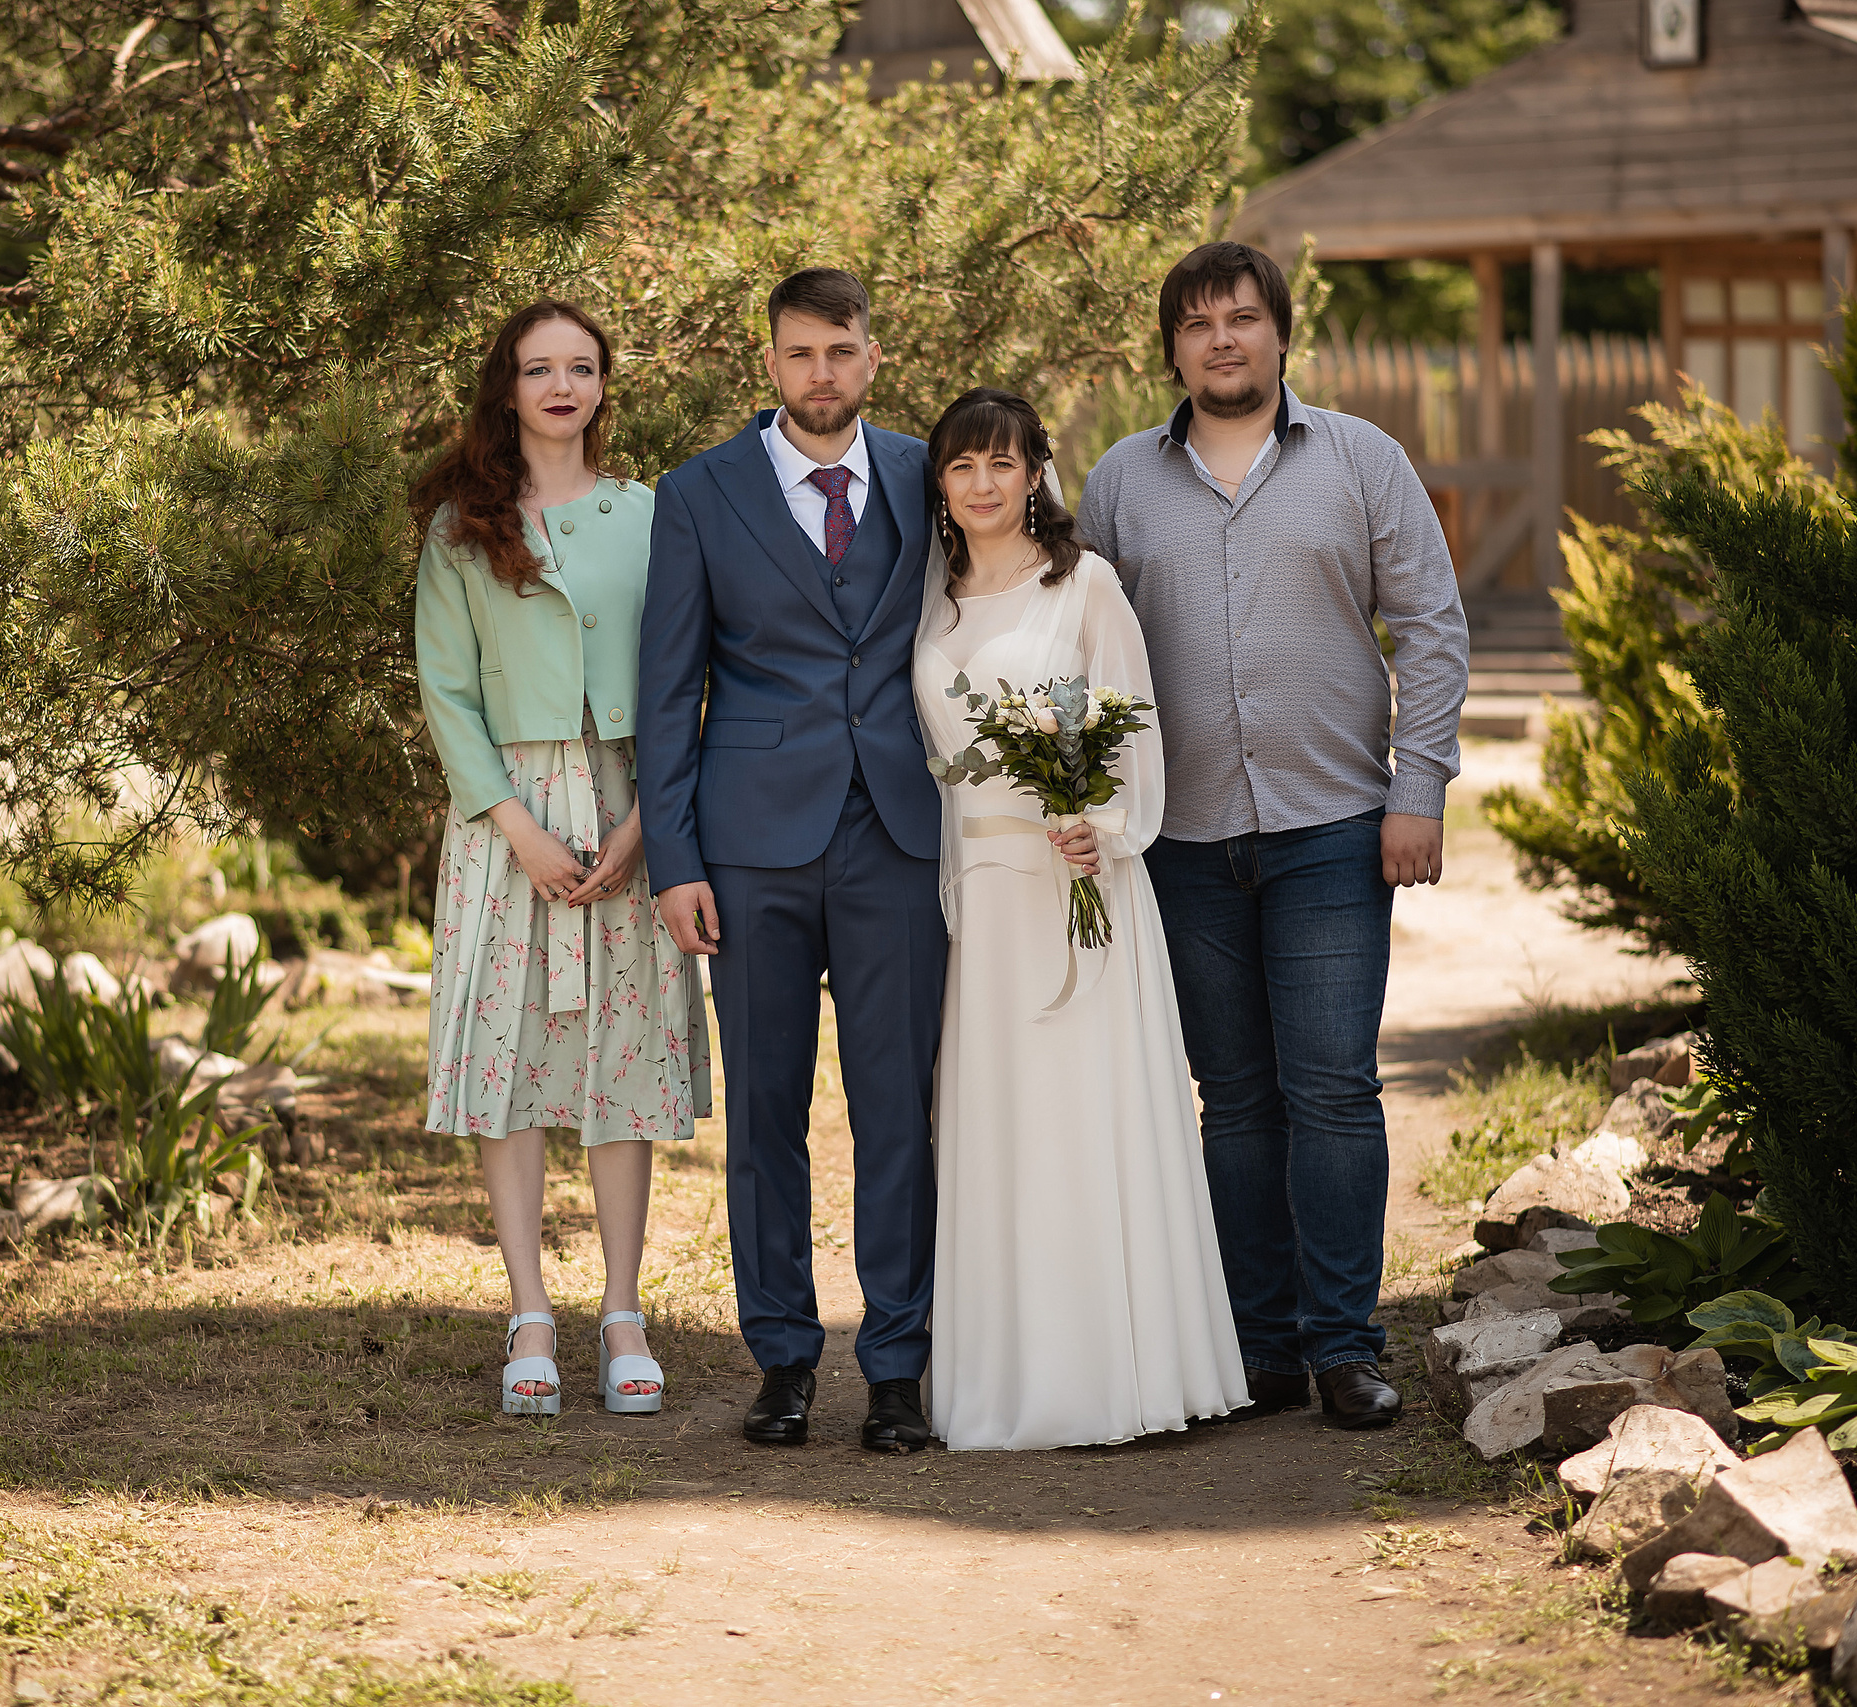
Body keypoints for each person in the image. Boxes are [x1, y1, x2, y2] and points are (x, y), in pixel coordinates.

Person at [1075, 241, 1469, 1430]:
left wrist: (1420, 789)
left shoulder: (1360, 458)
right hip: (1180, 842)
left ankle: (1346, 1344)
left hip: (1335, 830)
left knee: (1334, 1090)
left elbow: (1432, 627)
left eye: (1242, 319)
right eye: (1197, 326)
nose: (1222, 341)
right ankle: (1259, 1346)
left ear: (1281, 333)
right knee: (1234, 1100)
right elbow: (1080, 652)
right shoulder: (1120, 484)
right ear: (1172, 349)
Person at [635, 268, 945, 1453]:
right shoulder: (699, 493)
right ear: (768, 361)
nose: (823, 373)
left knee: (897, 1114)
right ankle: (781, 1359)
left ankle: (900, 1365)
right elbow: (667, 691)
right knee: (763, 1113)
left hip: (899, 840)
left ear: (873, 356)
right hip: (749, 847)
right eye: (801, 353)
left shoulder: (930, 472)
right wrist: (675, 860)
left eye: (843, 351)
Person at [911, 387, 1250, 1450]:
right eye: (962, 468)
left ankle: (1117, 1373)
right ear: (941, 483)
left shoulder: (1084, 585)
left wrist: (1099, 828)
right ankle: (1007, 1378)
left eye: (1001, 465)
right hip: (980, 903)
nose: (981, 486)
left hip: (1074, 887)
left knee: (1086, 1120)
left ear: (1034, 474)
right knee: (1000, 1129)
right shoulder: (930, 593)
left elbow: (1132, 727)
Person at [412, 298, 711, 1419]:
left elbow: (696, 664)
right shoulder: (460, 526)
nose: (561, 387)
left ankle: (623, 1311)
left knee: (623, 1063)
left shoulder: (652, 511)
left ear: (601, 386)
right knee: (511, 1059)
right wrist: (519, 828)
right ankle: (530, 1312)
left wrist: (650, 822)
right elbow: (442, 690)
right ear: (507, 386)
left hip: (638, 796)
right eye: (539, 369)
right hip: (506, 820)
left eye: (580, 368)